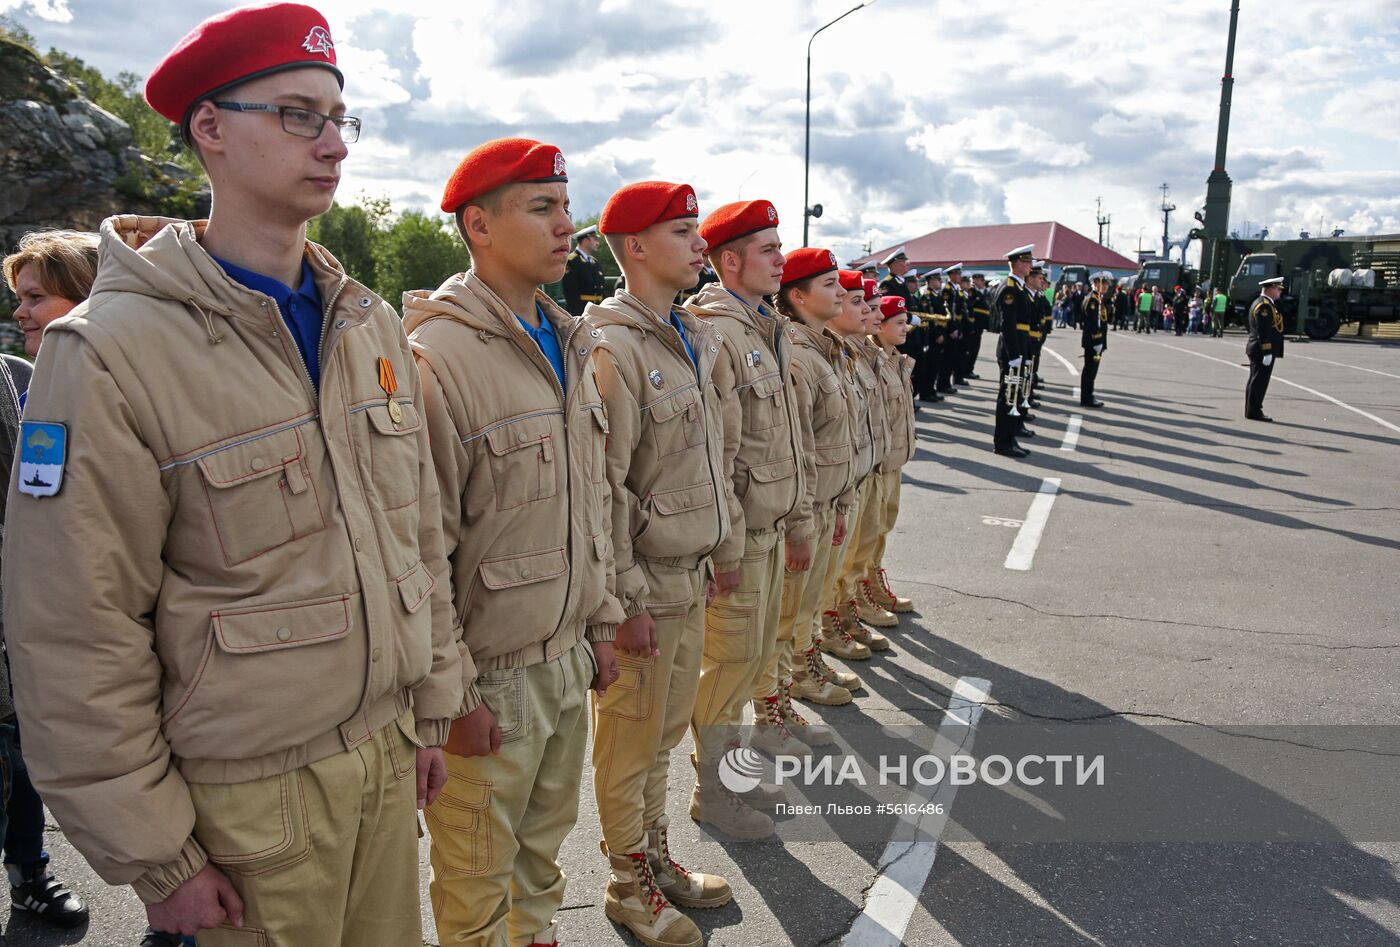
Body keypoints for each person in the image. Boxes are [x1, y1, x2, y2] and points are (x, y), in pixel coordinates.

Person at [4, 6, 464, 944]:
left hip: (383, 759)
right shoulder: (110, 350)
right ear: (209, 130)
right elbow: (74, 625)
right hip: (247, 808)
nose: (333, 143)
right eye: (299, 114)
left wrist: (428, 701)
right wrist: (157, 855)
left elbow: (415, 528)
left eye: (340, 118)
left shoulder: (364, 322)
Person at [404, 137, 622, 947]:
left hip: (563, 656)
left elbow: (588, 504)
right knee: (475, 881)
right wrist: (452, 696)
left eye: (566, 205)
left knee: (540, 859)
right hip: (490, 680)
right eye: (542, 207)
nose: (567, 224)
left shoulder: (568, 339)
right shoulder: (437, 355)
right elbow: (421, 547)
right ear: (478, 225)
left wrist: (597, 627)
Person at [583, 181, 731, 947]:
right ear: (635, 248)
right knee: (631, 739)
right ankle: (625, 884)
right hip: (645, 590)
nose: (700, 242)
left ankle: (653, 856)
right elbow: (605, 490)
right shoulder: (615, 347)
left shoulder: (684, 335)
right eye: (683, 230)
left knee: (662, 735)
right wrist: (623, 602)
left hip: (688, 575)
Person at [684, 200, 803, 840]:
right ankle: (716, 791)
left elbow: (782, 438)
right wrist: (725, 548)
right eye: (768, 249)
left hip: (772, 526)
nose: (780, 259)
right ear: (730, 261)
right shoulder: (720, 331)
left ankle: (732, 773)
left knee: (752, 660)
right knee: (728, 669)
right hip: (742, 536)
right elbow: (719, 454)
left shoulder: (766, 325)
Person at [1, 231, 97, 931]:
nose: (21, 313)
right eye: (19, 299)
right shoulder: (18, 376)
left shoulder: (143, 382)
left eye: (37, 296)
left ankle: (29, 873)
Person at [769, 253, 859, 717]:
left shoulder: (826, 349)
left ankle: (804, 667)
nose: (841, 293)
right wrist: (802, 522)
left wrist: (841, 502)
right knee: (787, 615)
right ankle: (788, 686)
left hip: (827, 502)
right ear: (798, 296)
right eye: (830, 284)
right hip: (807, 507)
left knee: (805, 606)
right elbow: (800, 449)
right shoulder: (800, 356)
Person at [864, 288, 916, 619]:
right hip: (877, 464)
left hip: (893, 460)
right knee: (865, 537)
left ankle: (871, 582)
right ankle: (858, 596)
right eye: (897, 322)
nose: (904, 328)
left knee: (882, 528)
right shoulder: (873, 360)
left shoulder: (895, 358)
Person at [993, 245, 1035, 458]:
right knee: (1008, 395)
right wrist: (1016, 355)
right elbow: (1008, 325)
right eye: (1027, 262)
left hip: (1020, 346)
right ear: (1017, 263)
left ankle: (1010, 437)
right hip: (1012, 349)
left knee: (1015, 394)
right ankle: (1003, 442)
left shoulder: (1018, 287)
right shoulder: (1010, 288)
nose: (1030, 266)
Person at [1245, 276, 1286, 422]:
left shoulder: (1265, 303)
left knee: (1255, 380)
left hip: (1257, 348)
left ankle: (1252, 410)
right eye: (1277, 289)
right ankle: (1254, 411)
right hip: (1261, 349)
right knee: (1259, 381)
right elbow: (1263, 331)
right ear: (1269, 289)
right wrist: (1267, 352)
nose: (1280, 292)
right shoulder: (1264, 306)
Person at [561, 224, 606, 316]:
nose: (597, 243)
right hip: (581, 313)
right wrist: (579, 318)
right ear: (586, 240)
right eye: (595, 239)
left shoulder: (595, 262)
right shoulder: (571, 261)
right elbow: (571, 294)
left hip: (598, 313)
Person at [1081, 272, 1109, 408]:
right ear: (1096, 284)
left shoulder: (1098, 298)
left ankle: (1088, 396)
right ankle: (1087, 397)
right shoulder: (1093, 299)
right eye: (1103, 283)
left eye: (1106, 284)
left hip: (1096, 341)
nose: (1106, 286)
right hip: (1094, 342)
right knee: (1090, 370)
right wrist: (1098, 341)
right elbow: (1093, 322)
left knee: (1092, 369)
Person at [963, 272, 989, 380]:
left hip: (979, 325)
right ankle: (966, 370)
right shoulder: (972, 291)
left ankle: (969, 369)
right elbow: (970, 308)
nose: (982, 282)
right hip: (974, 325)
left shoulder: (979, 292)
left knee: (974, 349)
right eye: (980, 280)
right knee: (971, 349)